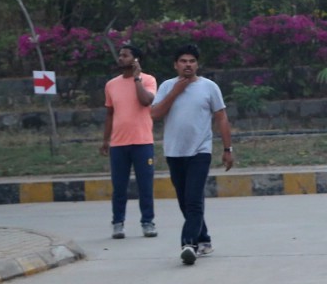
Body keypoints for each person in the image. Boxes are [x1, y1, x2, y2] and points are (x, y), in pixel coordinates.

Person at [150, 44, 233, 266]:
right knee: (184, 201)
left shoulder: (209, 87)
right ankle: (204, 238)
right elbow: (155, 114)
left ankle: (189, 244)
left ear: (197, 64)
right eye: (183, 61)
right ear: (176, 65)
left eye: (192, 61)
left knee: (194, 199)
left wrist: (227, 149)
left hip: (200, 150)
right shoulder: (167, 86)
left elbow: (221, 117)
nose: (188, 65)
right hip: (174, 152)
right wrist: (176, 92)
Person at [100, 44, 158, 239]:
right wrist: (105, 140)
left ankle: (147, 222)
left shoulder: (148, 80)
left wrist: (137, 79)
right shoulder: (111, 85)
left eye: (125, 55)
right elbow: (109, 114)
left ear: (135, 60)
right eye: (120, 55)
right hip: (118, 144)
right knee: (119, 186)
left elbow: (145, 101)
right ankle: (118, 223)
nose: (120, 58)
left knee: (145, 186)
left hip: (143, 142)